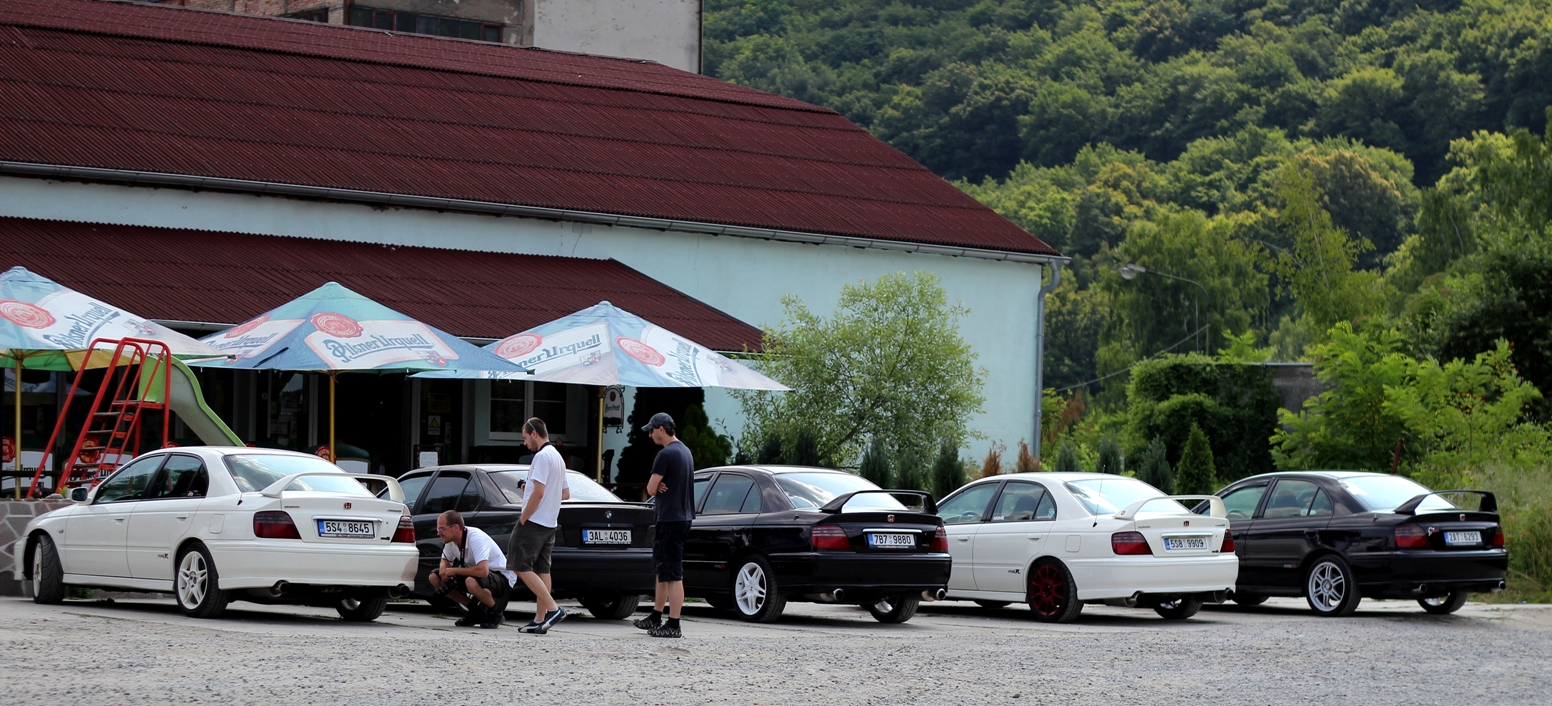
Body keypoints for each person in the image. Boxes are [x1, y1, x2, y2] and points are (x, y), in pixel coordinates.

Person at [635, 412, 694, 638]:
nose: (650, 435)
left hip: (670, 518)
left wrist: (656, 485)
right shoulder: (685, 451)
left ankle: (674, 623)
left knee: (673, 573)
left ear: (661, 429)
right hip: (682, 516)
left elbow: (651, 488)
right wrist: (660, 484)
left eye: (652, 430)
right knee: (663, 569)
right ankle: (656, 615)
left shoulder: (665, 454)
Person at [512, 417, 571, 634]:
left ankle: (554, 609)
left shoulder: (541, 457)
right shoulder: (558, 457)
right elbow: (565, 494)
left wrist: (523, 518)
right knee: (542, 569)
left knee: (519, 566)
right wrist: (529, 488)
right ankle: (539, 619)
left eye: (525, 437)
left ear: (534, 434)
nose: (525, 443)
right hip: (550, 522)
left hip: (534, 522)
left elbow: (538, 493)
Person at [427, 510, 514, 629]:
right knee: (435, 577)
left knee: (471, 581)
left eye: (442, 529)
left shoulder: (476, 539)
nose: (439, 533)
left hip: (501, 577)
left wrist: (455, 571)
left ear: (455, 527)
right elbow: (445, 559)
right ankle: (475, 611)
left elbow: (483, 571)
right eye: (438, 529)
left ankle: (495, 612)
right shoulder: (451, 541)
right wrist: (443, 570)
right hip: (477, 574)